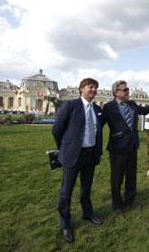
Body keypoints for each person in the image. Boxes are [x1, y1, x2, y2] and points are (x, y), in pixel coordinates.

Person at [52, 78, 103, 243]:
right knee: (66, 191)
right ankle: (65, 224)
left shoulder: (96, 108)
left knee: (86, 188)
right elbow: (57, 129)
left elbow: (97, 131)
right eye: (91, 87)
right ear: (81, 89)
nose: (94, 90)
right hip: (73, 154)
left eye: (95, 88)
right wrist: (65, 146)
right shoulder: (70, 105)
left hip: (90, 155)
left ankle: (87, 213)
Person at [102, 80, 149, 218]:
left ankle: (130, 200)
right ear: (116, 93)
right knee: (116, 179)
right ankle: (117, 206)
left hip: (132, 147)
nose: (128, 91)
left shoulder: (132, 104)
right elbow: (99, 125)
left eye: (128, 89)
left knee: (131, 177)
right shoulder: (108, 107)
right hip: (117, 149)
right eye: (125, 89)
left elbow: (145, 110)